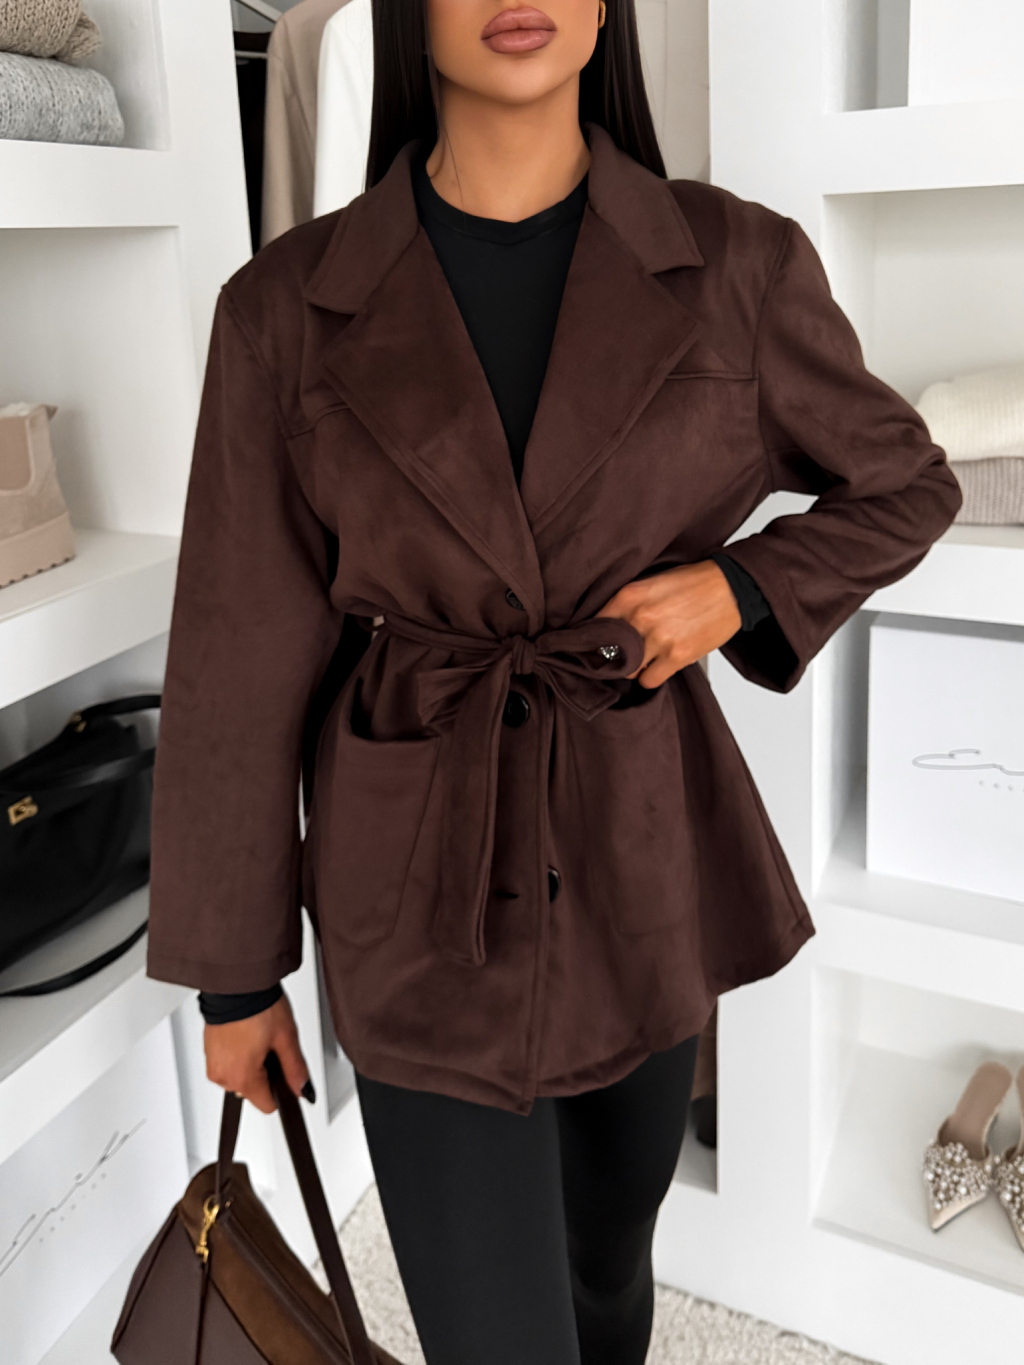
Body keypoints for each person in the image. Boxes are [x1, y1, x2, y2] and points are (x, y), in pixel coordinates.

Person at [146, 2, 962, 1362]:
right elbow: (236, 649)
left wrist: (739, 588)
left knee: (606, 1265)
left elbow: (907, 483)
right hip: (415, 883)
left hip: (639, 857)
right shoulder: (286, 308)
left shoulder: (736, 265)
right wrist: (235, 979)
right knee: (497, 1333)